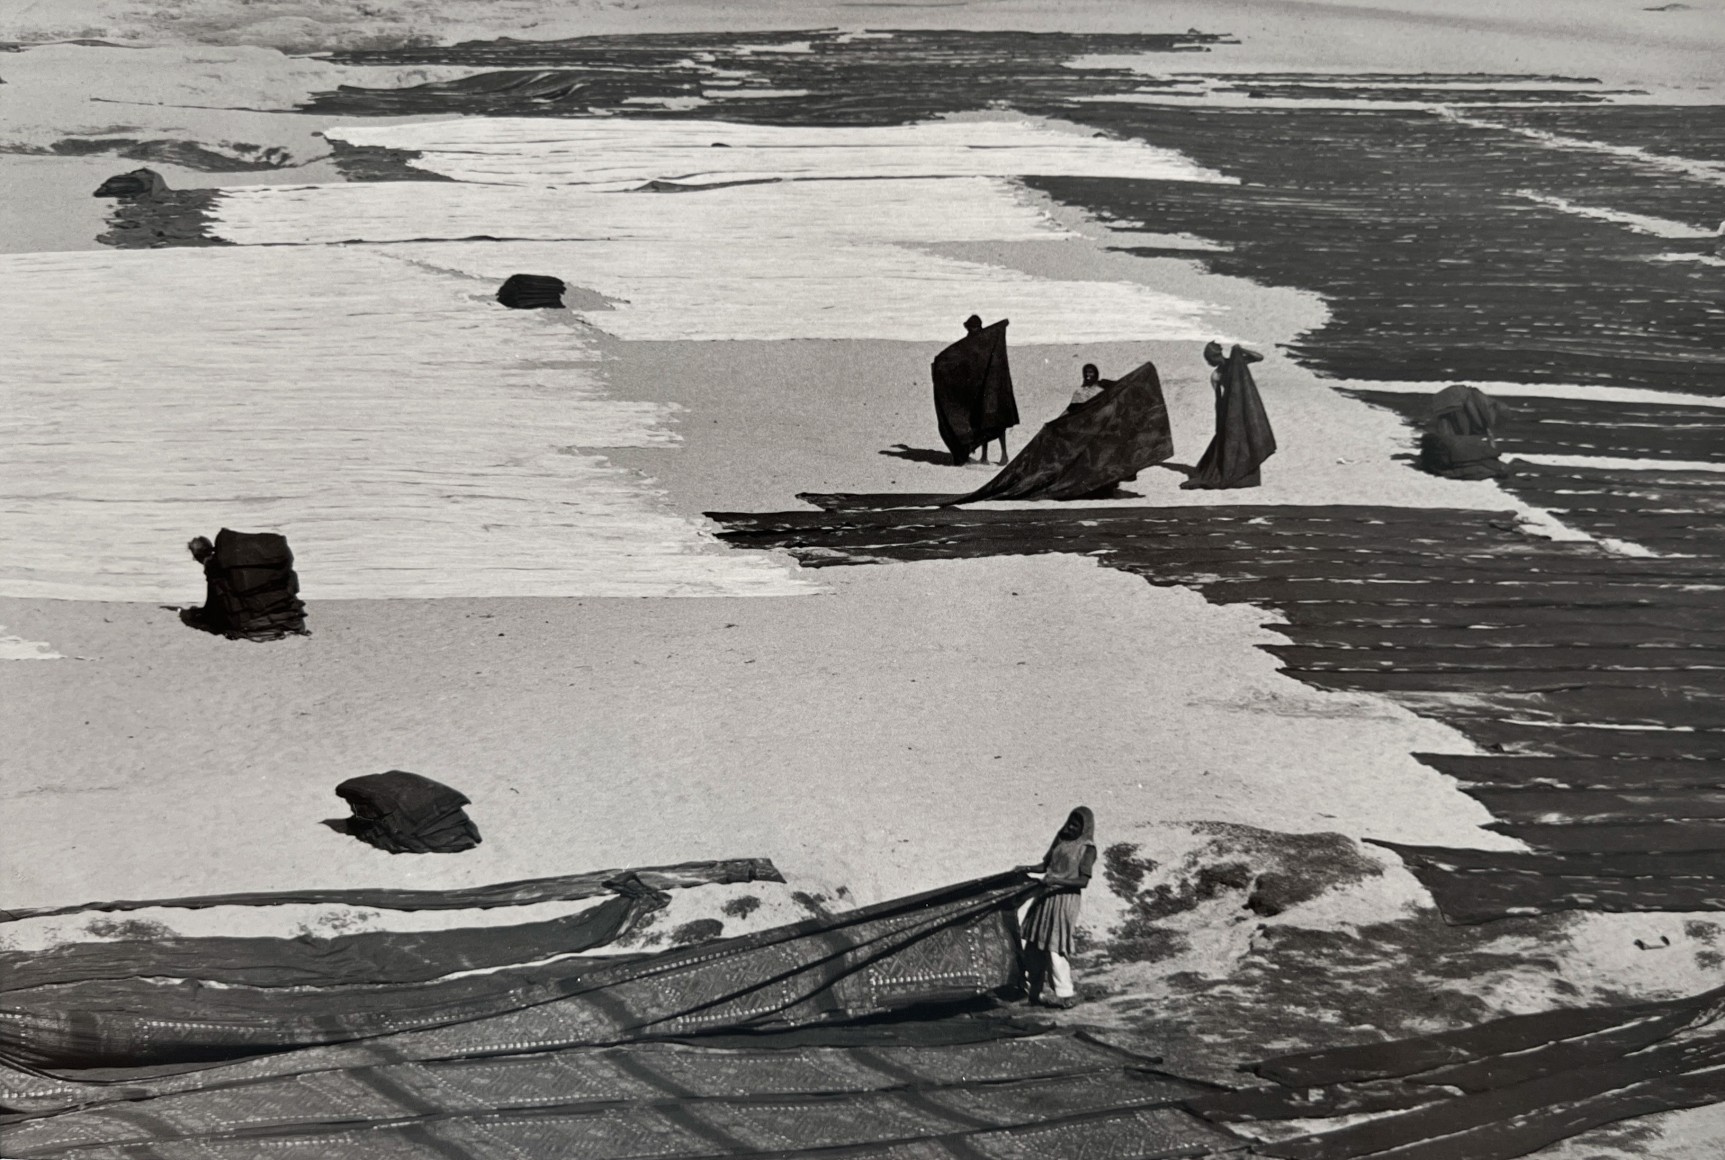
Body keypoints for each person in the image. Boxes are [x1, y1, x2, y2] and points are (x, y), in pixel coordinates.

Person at [1018, 806, 1096, 1009]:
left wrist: (1057, 881)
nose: (1070, 827)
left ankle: (1065, 994)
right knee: (1034, 945)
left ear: (1084, 827)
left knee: (1054, 946)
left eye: (1076, 825)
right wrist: (1025, 869)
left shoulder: (1087, 849)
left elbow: (1082, 881)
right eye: (1070, 822)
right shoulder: (1061, 839)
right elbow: (1044, 866)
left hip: (1064, 900)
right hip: (1045, 897)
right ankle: (1033, 993)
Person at [1181, 340, 1277, 490]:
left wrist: (1241, 349)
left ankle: (1242, 472)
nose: (1211, 362)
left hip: (1238, 407)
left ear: (1216, 356)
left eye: (1211, 359)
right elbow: (1219, 399)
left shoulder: (1234, 363)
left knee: (1241, 439)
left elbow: (1259, 357)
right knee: (1234, 440)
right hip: (1231, 409)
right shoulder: (1218, 373)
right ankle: (1238, 471)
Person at [932, 315, 1018, 466]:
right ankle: (998, 455)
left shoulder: (975, 342)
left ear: (970, 328)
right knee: (995, 422)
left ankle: (989, 456)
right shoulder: (987, 339)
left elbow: (955, 356)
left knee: (985, 421)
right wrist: (1001, 325)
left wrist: (940, 362)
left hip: (984, 389)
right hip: (992, 388)